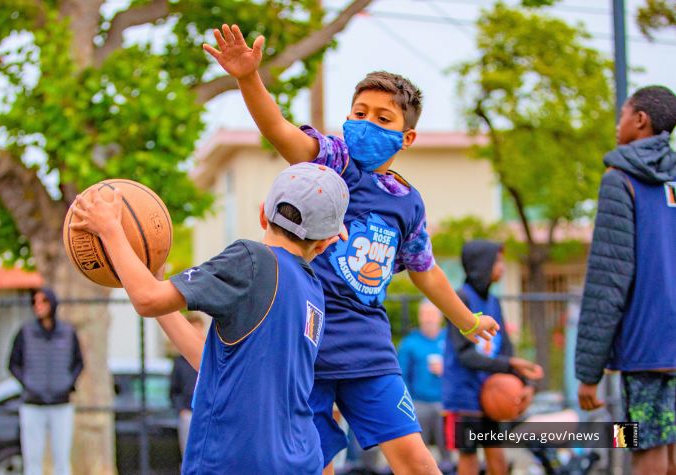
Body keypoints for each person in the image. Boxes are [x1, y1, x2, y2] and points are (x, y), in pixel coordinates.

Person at [201, 23, 499, 474]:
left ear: (407, 137)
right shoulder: (334, 161)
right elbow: (279, 130)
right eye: (359, 112)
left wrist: (467, 319)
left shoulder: (409, 203)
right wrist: (248, 77)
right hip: (306, 344)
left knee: (418, 461)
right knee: (312, 465)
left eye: (383, 118)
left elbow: (426, 271)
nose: (366, 124)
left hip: (369, 348)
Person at [71, 162, 349, 474]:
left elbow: (147, 299)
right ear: (326, 241)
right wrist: (158, 276)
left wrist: (110, 229)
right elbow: (217, 365)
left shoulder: (252, 260)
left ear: (262, 214)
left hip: (236, 462)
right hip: (302, 460)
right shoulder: (312, 292)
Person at [575, 85, 676, 474]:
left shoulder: (620, 179)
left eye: (622, 115)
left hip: (644, 351)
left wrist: (588, 373)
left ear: (640, 120)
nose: (618, 125)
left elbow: (607, 281)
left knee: (640, 448)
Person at [442, 240, 543, 475]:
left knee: (496, 452)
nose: (503, 266)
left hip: (491, 390)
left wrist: (524, 383)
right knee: (468, 457)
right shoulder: (461, 299)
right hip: (464, 393)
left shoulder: (494, 301)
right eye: (497, 261)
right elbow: (465, 355)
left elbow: (506, 350)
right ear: (482, 264)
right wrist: (509, 365)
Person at [8, 287, 84, 475]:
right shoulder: (25, 332)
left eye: (43, 301)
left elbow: (78, 362)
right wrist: (29, 384)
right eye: (35, 302)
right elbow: (13, 364)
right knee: (32, 460)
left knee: (62, 460)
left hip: (61, 404)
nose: (38, 306)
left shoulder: (67, 332)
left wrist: (67, 384)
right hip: (33, 404)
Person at [399, 300, 452, 471]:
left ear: (440, 317)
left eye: (432, 314)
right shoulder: (409, 343)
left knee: (449, 449)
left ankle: (449, 467)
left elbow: (461, 369)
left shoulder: (450, 340)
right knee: (418, 451)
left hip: (445, 402)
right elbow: (401, 376)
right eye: (425, 314)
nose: (429, 318)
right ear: (420, 317)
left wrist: (446, 369)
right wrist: (409, 404)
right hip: (419, 402)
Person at [168, 313, 206, 455]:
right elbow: (174, 390)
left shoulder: (210, 357)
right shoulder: (179, 363)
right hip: (189, 413)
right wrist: (181, 410)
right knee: (189, 453)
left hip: (207, 413)